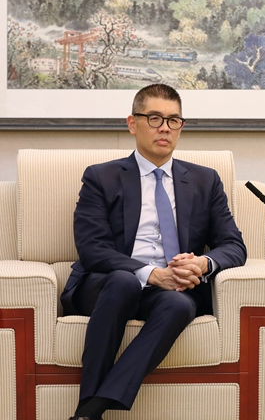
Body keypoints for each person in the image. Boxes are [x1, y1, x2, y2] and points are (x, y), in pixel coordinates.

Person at [60, 84, 247, 420]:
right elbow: (92, 248)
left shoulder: (206, 181)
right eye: (155, 118)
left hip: (172, 290)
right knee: (124, 282)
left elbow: (233, 245)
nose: (165, 128)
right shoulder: (102, 177)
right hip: (106, 285)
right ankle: (89, 401)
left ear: (181, 127)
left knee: (178, 303)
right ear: (133, 123)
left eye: (174, 120)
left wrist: (203, 263)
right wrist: (151, 273)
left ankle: (90, 410)